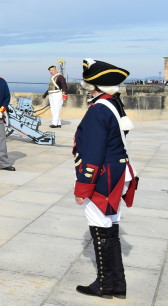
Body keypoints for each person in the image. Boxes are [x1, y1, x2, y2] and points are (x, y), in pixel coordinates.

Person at [73, 58, 138, 299]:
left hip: (103, 177)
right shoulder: (113, 104)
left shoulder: (98, 109)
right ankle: (116, 284)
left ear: (93, 86)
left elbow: (92, 152)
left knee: (101, 229)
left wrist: (83, 188)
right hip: (117, 172)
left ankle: (104, 285)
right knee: (110, 229)